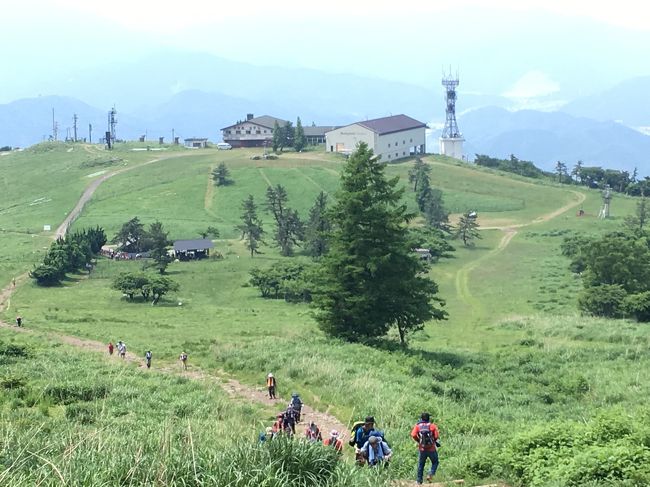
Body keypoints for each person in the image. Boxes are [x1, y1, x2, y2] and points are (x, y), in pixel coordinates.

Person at [410, 412, 440, 484]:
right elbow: (436, 436)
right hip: (431, 449)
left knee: (421, 464)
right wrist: (433, 441)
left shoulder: (418, 426)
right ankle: (430, 474)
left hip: (422, 449)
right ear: (428, 418)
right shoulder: (432, 426)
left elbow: (413, 435)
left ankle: (419, 481)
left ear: (421, 418)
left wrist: (419, 441)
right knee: (435, 462)